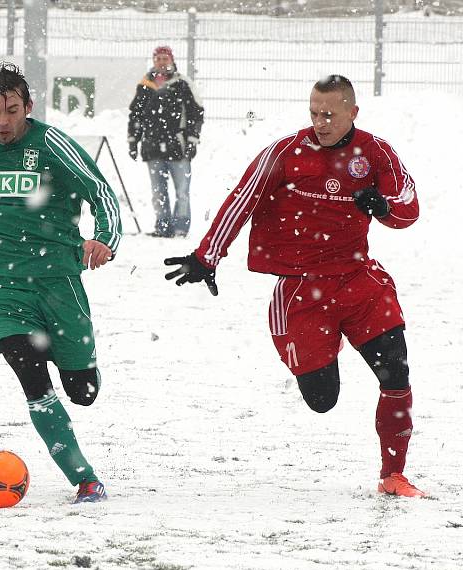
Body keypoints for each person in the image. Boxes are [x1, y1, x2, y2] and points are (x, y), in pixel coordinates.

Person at [164, 75, 425, 497]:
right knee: (323, 399)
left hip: (359, 280)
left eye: (329, 114)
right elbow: (241, 200)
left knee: (396, 371)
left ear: (352, 113)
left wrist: (385, 207)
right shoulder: (285, 153)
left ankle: (393, 475)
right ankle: (324, 344)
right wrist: (206, 256)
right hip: (303, 291)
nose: (320, 123)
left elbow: (409, 209)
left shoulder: (376, 154)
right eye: (314, 113)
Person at [0, 63, 122, 504]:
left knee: (82, 392)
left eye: (12, 110)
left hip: (58, 281)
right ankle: (85, 479)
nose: (3, 121)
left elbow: (102, 193)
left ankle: (56, 349)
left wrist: (105, 239)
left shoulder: (51, 144)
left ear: (28, 107)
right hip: (0, 286)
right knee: (27, 368)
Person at [128, 45, 204, 238]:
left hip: (178, 146)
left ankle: (180, 227)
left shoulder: (183, 84)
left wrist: (192, 140)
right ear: (154, 61)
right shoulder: (145, 85)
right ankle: (163, 226)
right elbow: (135, 115)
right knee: (158, 192)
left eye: (165, 58)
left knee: (182, 192)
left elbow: (196, 113)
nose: (162, 62)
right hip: (152, 147)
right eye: (158, 58)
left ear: (172, 60)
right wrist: (133, 140)